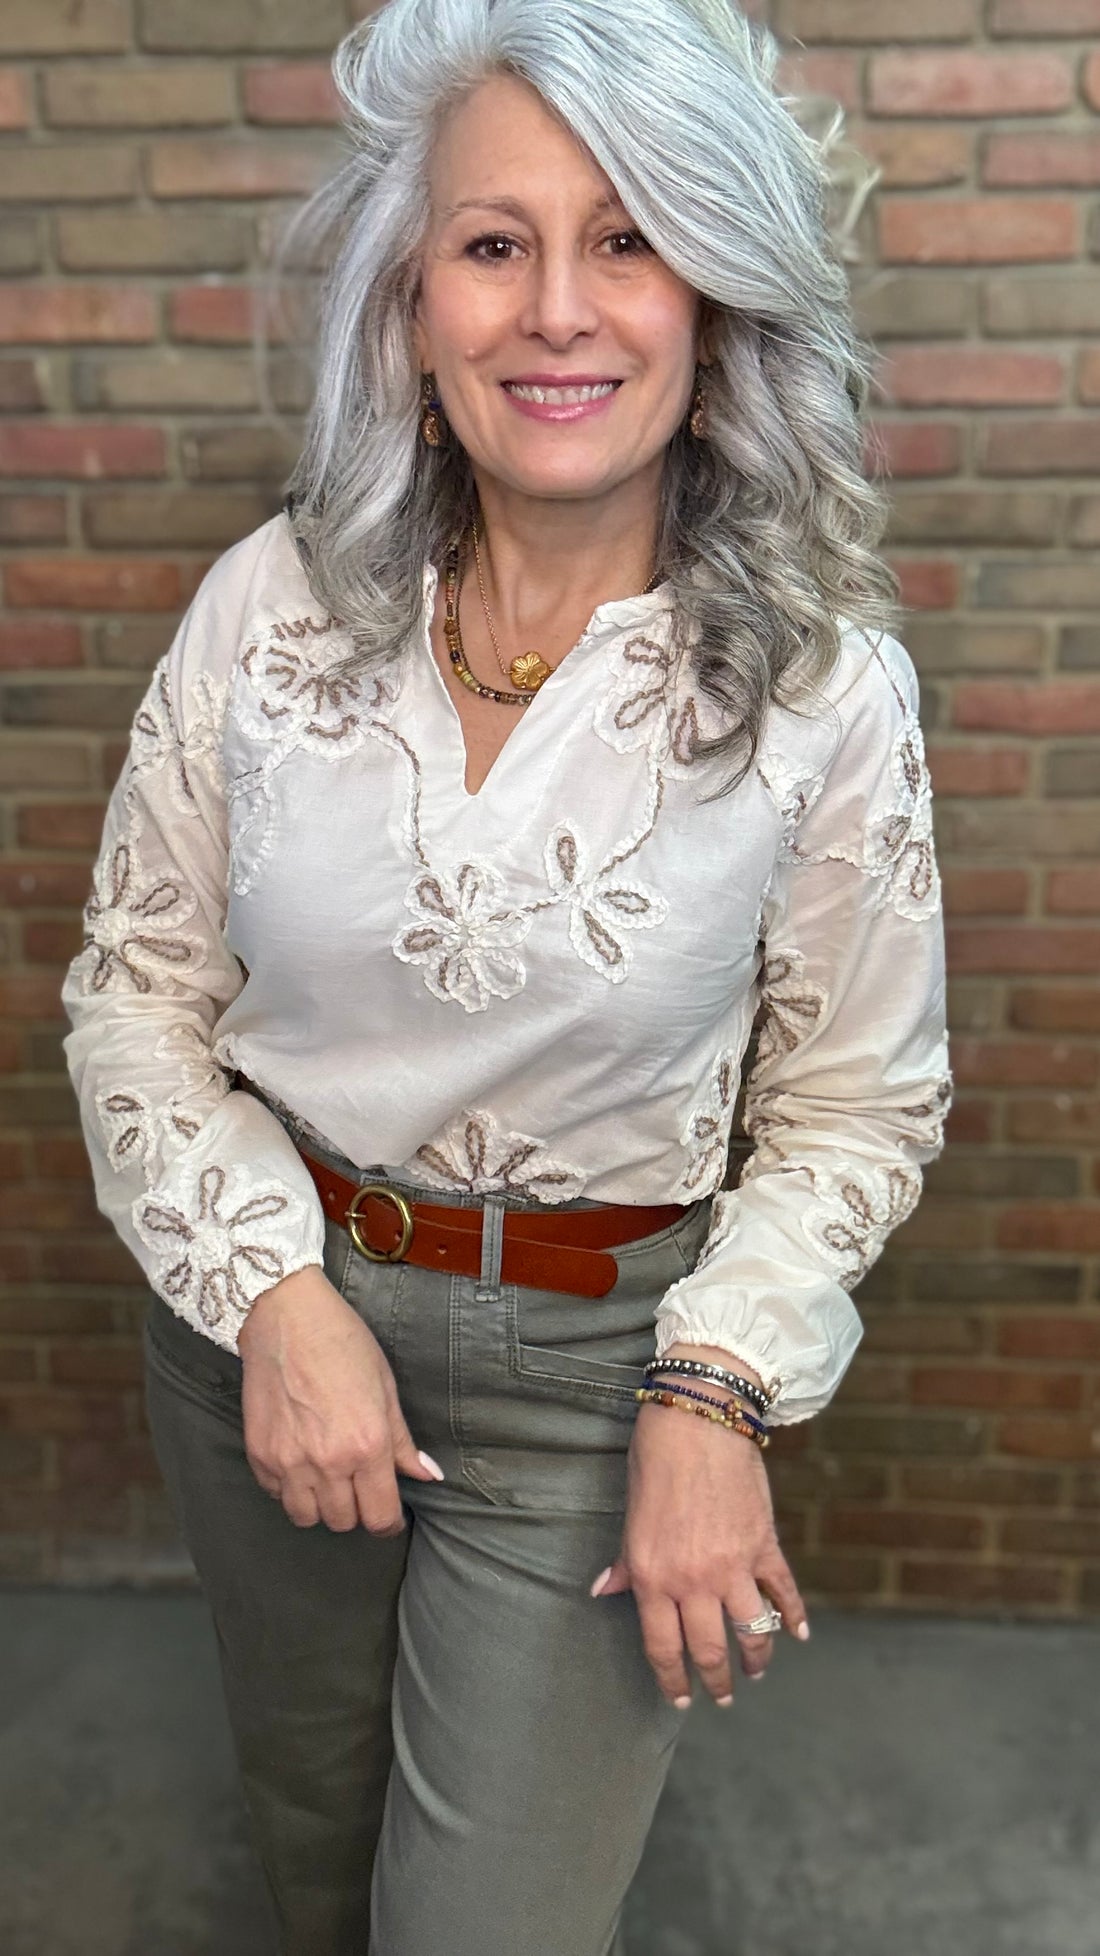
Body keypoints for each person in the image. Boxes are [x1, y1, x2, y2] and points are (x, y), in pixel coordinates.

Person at [61, 1, 951, 1951]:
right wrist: (274, 1302)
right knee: (310, 1838)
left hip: (601, 1364)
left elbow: (853, 1100)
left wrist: (712, 1397)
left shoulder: (817, 690)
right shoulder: (268, 606)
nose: (559, 307)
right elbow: (134, 992)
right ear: (410, 302)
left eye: (628, 237)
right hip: (267, 1334)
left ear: (715, 296)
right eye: (494, 242)